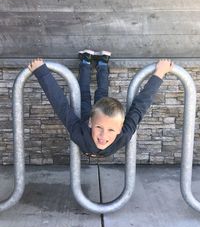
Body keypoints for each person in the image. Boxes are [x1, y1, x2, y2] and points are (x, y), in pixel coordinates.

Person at [28, 51, 173, 158]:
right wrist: (41, 72)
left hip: (98, 116)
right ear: (91, 123)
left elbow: (141, 105)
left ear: (120, 128)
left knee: (98, 92)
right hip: (86, 114)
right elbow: (60, 104)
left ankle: (97, 63)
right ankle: (90, 62)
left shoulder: (123, 133)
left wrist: (160, 72)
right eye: (99, 127)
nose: (103, 135)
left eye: (111, 129)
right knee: (85, 94)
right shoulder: (81, 131)